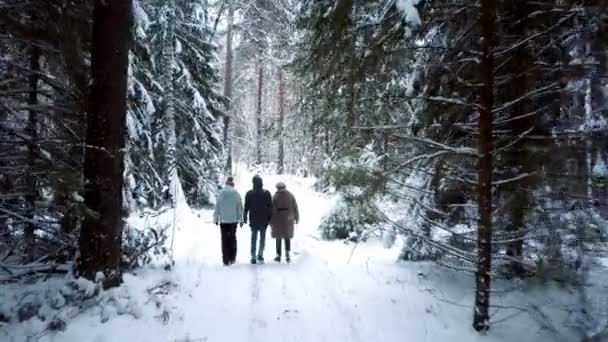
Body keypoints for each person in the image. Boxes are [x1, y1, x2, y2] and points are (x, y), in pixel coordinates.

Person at [213, 176, 244, 266]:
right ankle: (232, 258)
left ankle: (225, 260)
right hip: (233, 221)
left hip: (223, 221)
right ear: (232, 185)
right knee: (232, 238)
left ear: (226, 185)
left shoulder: (221, 194)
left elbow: (217, 207)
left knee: (224, 239)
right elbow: (240, 208)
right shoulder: (236, 194)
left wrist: (216, 219)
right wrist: (241, 219)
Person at [243, 175, 272, 264]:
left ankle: (253, 256)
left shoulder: (249, 193)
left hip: (254, 219)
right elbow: (270, 207)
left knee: (254, 238)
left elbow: (246, 207)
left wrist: (245, 217)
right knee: (262, 238)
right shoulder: (267, 193)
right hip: (264, 219)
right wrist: (270, 218)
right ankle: (260, 255)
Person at [270, 182, 299, 263]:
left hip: (278, 219)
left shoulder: (275, 196)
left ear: (277, 188)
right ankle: (287, 254)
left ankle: (278, 255)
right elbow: (295, 207)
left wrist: (271, 221)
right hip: (288, 219)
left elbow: (272, 210)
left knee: (278, 237)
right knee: (287, 236)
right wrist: (296, 218)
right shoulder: (290, 195)